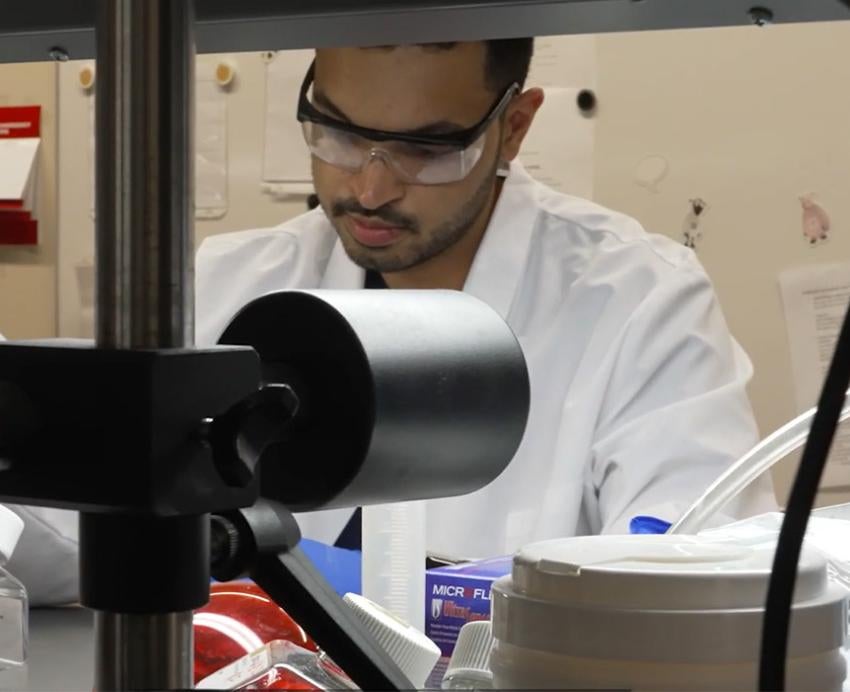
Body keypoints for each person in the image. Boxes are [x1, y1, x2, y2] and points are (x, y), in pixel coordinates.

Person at [195, 39, 775, 559]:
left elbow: (695, 573)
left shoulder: (641, 300)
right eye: (341, 135)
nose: (370, 190)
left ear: (514, 127)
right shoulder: (226, 282)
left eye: (426, 148)